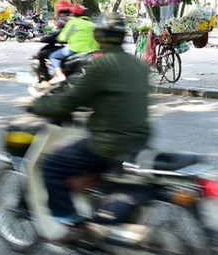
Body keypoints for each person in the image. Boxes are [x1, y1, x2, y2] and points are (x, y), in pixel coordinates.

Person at [27, 13, 150, 243]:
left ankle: (71, 221)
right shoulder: (138, 65)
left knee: (52, 164)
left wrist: (38, 105)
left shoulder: (100, 65)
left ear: (98, 36)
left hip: (108, 145)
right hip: (140, 142)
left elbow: (67, 101)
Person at [48, 4, 99, 83]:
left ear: (73, 14)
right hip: (91, 51)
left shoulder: (73, 23)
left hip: (75, 49)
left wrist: (59, 39)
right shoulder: (92, 24)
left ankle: (59, 75)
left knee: (53, 56)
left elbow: (63, 37)